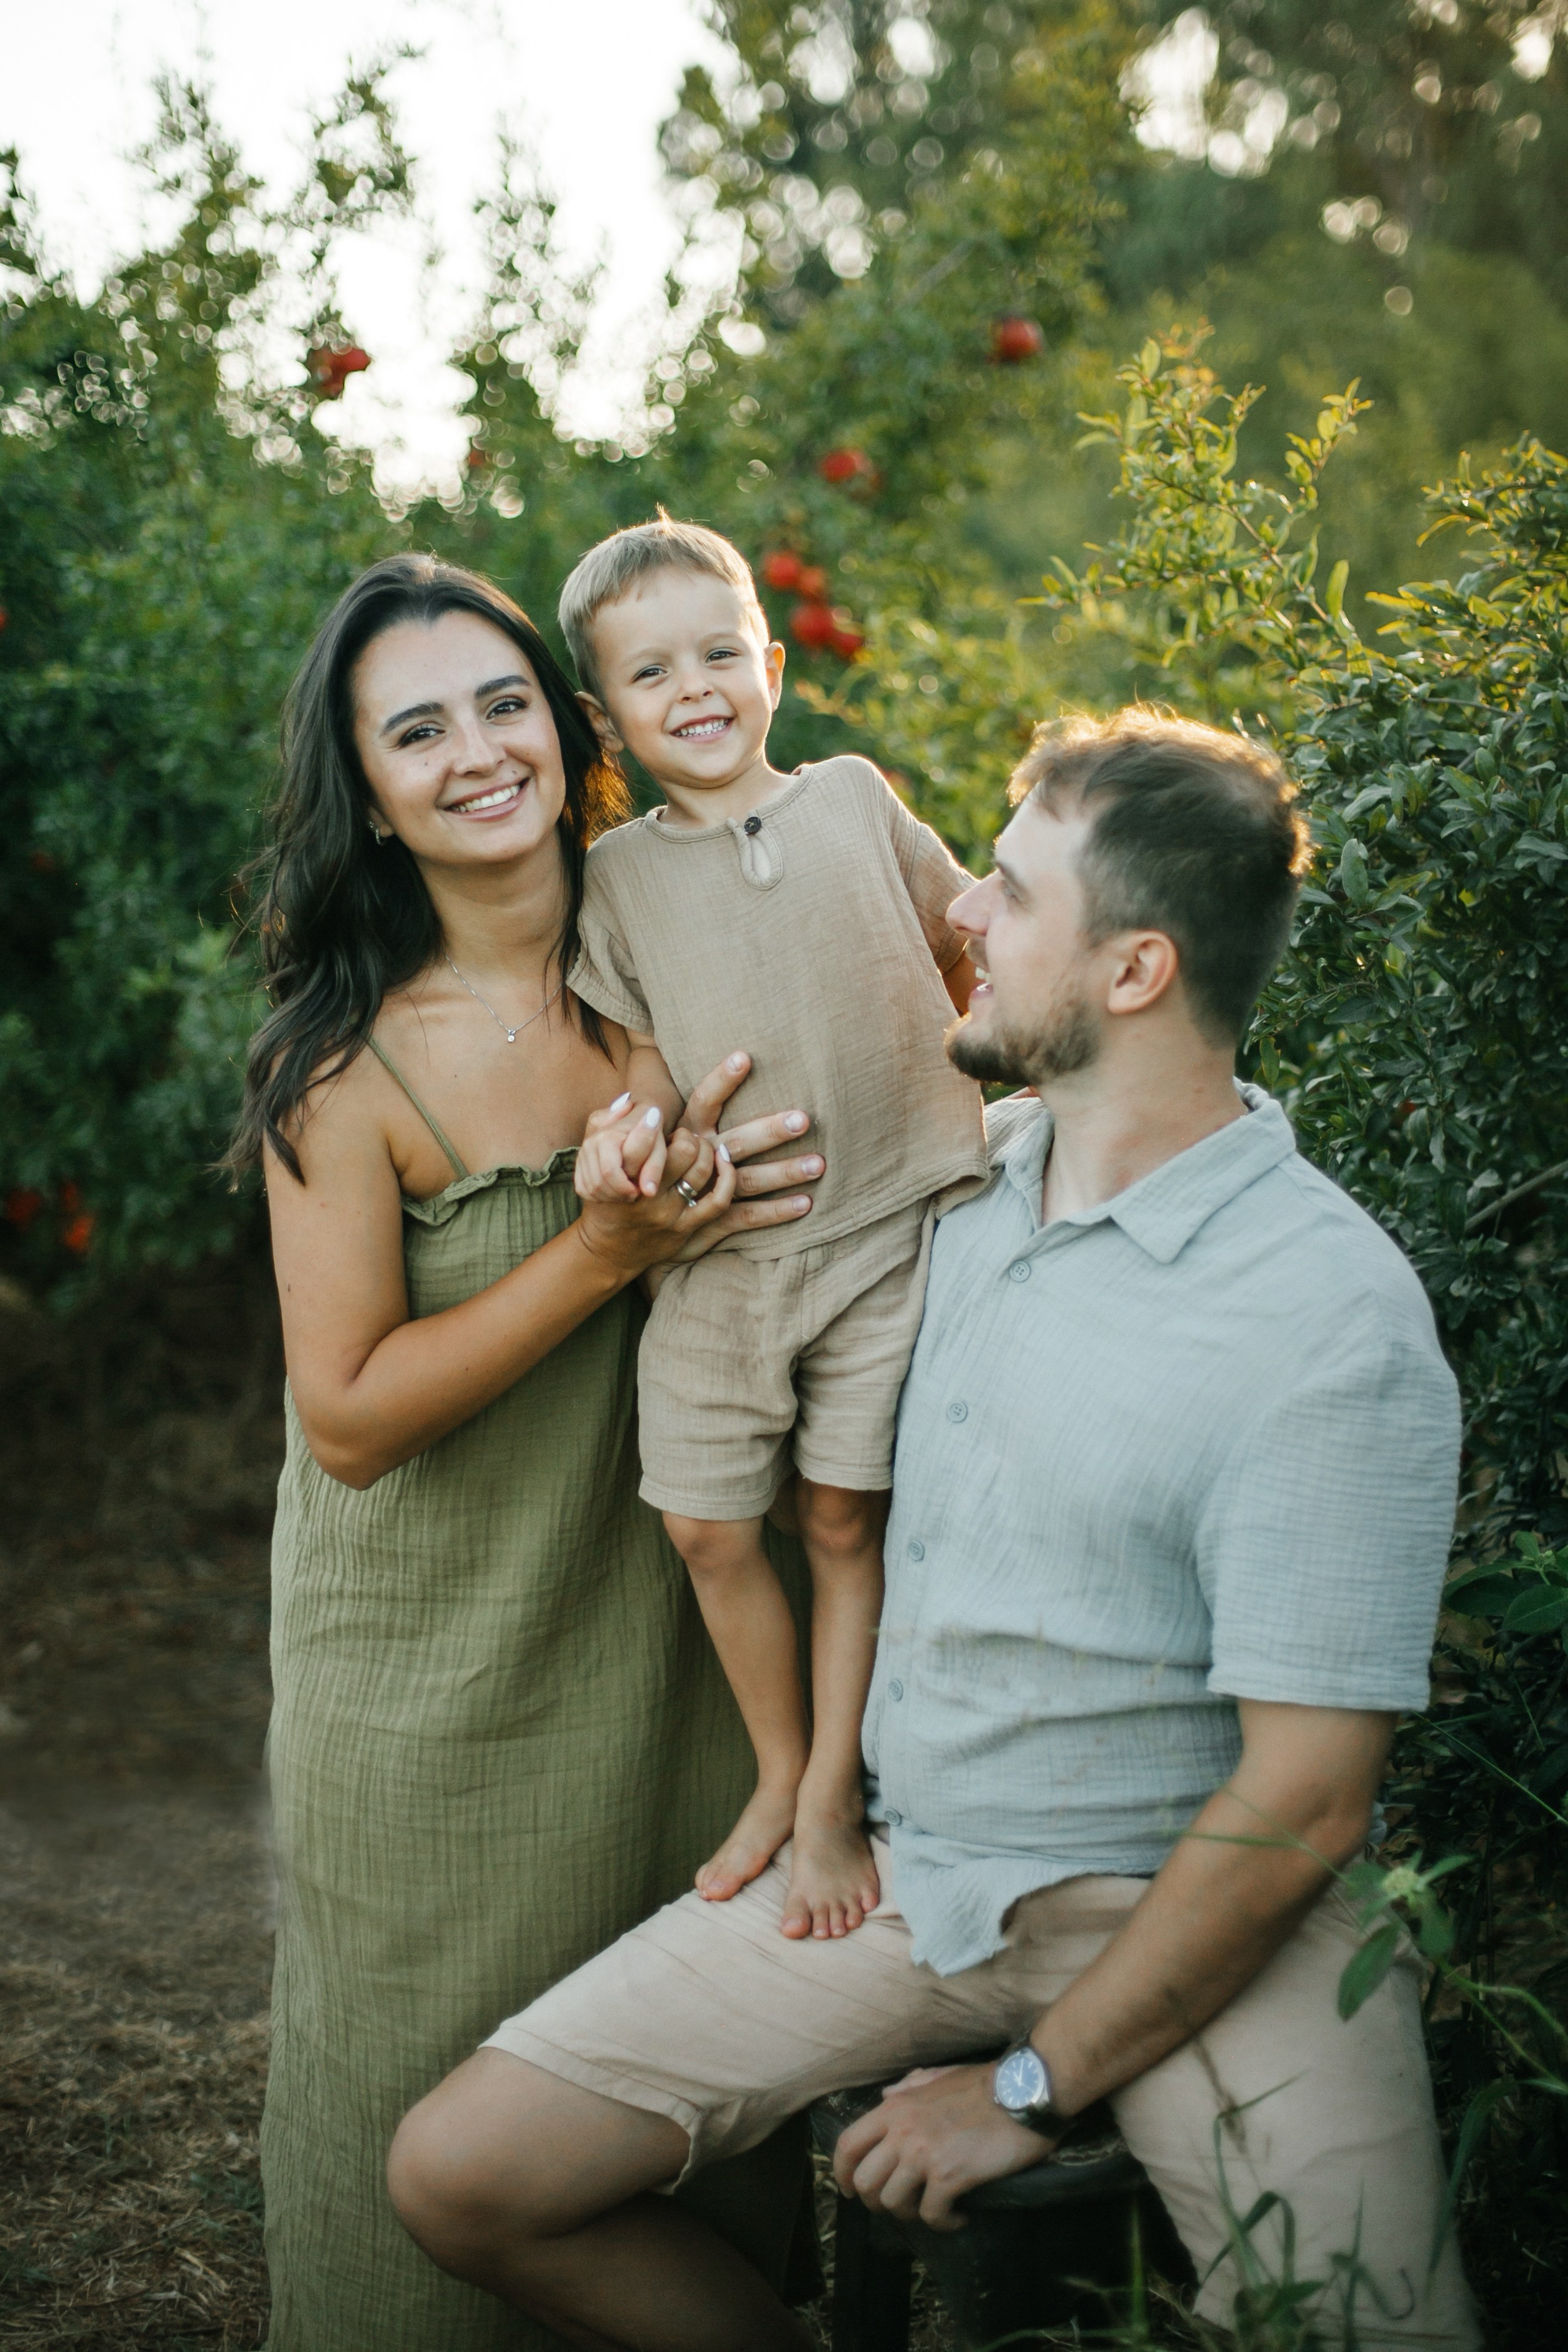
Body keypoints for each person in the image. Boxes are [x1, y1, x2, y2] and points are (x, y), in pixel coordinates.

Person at [386, 709, 1481, 2351]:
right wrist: (647, 1172)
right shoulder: (968, 1188)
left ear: (1134, 971)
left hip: (1203, 1908)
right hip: (907, 1881)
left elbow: (1306, 1797)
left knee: (1365, 2329)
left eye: (1015, 892)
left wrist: (1029, 2087)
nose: (960, 909)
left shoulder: (1327, 1319)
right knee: (463, 2171)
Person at [230, 552, 828, 2351]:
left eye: (503, 703)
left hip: (685, 1655)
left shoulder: (692, 968)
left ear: (572, 729)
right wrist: (604, 1250)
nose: (475, 751)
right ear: (374, 795)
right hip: (433, 1684)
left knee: (669, 2122)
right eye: (416, 730)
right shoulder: (346, 1070)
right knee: (416, 2143)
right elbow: (344, 1418)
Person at [561, 515, 988, 1942]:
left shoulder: (856, 800)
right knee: (704, 1522)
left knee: (842, 1517)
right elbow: (637, 1067)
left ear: (774, 662)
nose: (693, 689)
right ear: (607, 715)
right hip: (731, 1261)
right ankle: (779, 1765)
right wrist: (639, 1139)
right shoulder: (615, 879)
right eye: (650, 673)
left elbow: (959, 933)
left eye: (719, 653)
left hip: (883, 1226)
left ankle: (828, 1805)